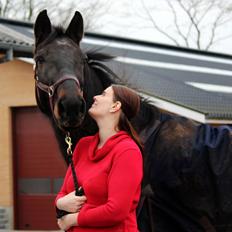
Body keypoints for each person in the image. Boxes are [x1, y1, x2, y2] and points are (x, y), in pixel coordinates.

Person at [55, 84, 143, 232]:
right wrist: (60, 203)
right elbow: (62, 193)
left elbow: (116, 211)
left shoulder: (127, 151)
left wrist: (72, 219)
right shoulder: (83, 146)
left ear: (115, 106)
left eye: (103, 94)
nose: (95, 97)